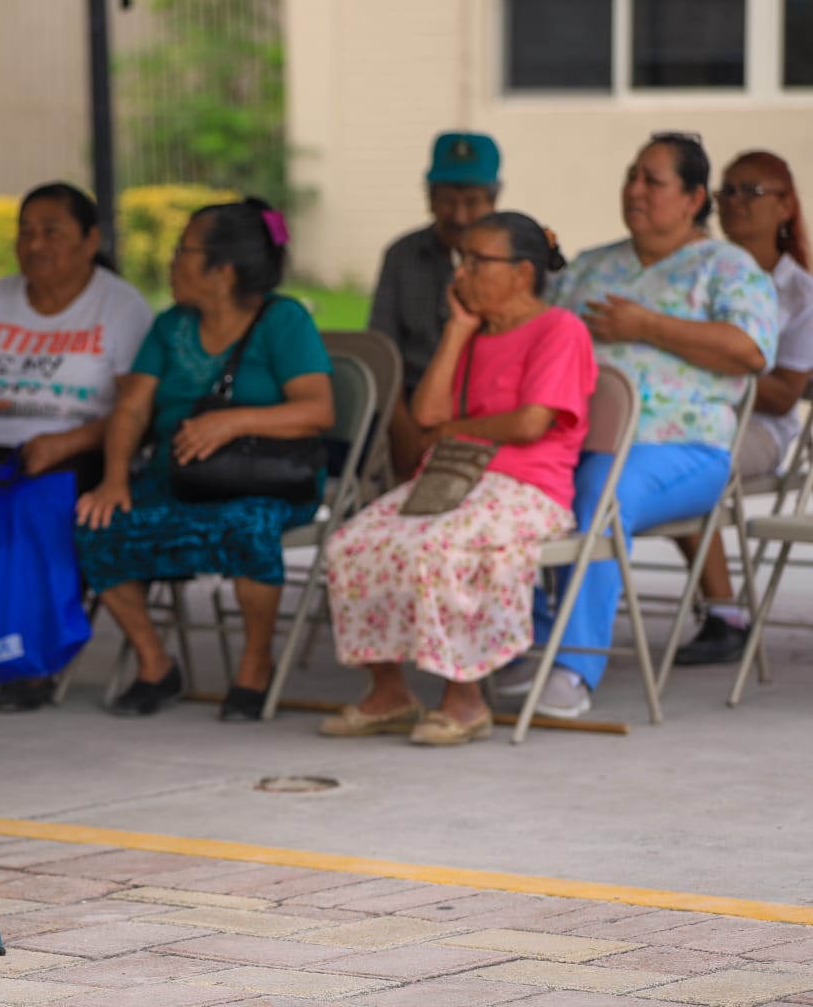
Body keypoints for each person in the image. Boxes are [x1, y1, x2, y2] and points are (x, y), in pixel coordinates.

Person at [495, 132, 778, 717]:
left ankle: (572, 666)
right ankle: (529, 639)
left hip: (681, 448)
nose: (635, 189)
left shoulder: (727, 267)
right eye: (631, 175)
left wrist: (649, 326)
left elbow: (750, 351)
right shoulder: (594, 267)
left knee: (603, 494)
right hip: (575, 443)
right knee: (507, 486)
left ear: (694, 196)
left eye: (653, 179)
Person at [320, 213, 591, 745]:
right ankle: (390, 692)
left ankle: (464, 699)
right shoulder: (471, 332)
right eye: (459, 261)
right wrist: (456, 331)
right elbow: (425, 415)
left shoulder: (560, 329)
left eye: (476, 262)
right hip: (451, 479)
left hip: (525, 488)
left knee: (443, 549)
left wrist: (453, 430)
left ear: (521, 273)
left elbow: (530, 422)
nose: (460, 273)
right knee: (354, 542)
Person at [75, 197, 334, 721]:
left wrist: (233, 421)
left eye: (183, 250)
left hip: (266, 481)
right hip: (180, 475)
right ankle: (155, 664)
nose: (171, 261)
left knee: (248, 524)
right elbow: (131, 408)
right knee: (96, 523)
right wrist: (114, 479)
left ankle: (255, 663)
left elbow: (318, 409)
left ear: (222, 268)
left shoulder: (283, 320)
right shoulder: (171, 326)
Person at [0, 182, 153, 711]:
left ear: (89, 239)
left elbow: (139, 407)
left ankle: (29, 659)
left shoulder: (120, 305)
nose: (35, 244)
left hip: (79, 444)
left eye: (51, 231)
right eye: (25, 231)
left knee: (38, 513)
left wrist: (70, 440)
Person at [672, 151, 813, 666]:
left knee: (688, 462)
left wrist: (719, 358)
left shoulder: (800, 292)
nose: (734, 203)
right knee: (654, 449)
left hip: (757, 426)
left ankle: (724, 611)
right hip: (687, 409)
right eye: (725, 191)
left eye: (750, 192)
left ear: (785, 206)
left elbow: (785, 393)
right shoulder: (698, 269)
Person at [370, 132, 501, 480]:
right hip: (409, 412)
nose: (458, 215)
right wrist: (404, 433)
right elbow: (382, 354)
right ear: (429, 199)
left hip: (487, 416)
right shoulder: (402, 255)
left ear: (494, 201)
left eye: (472, 202)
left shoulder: (512, 264)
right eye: (446, 200)